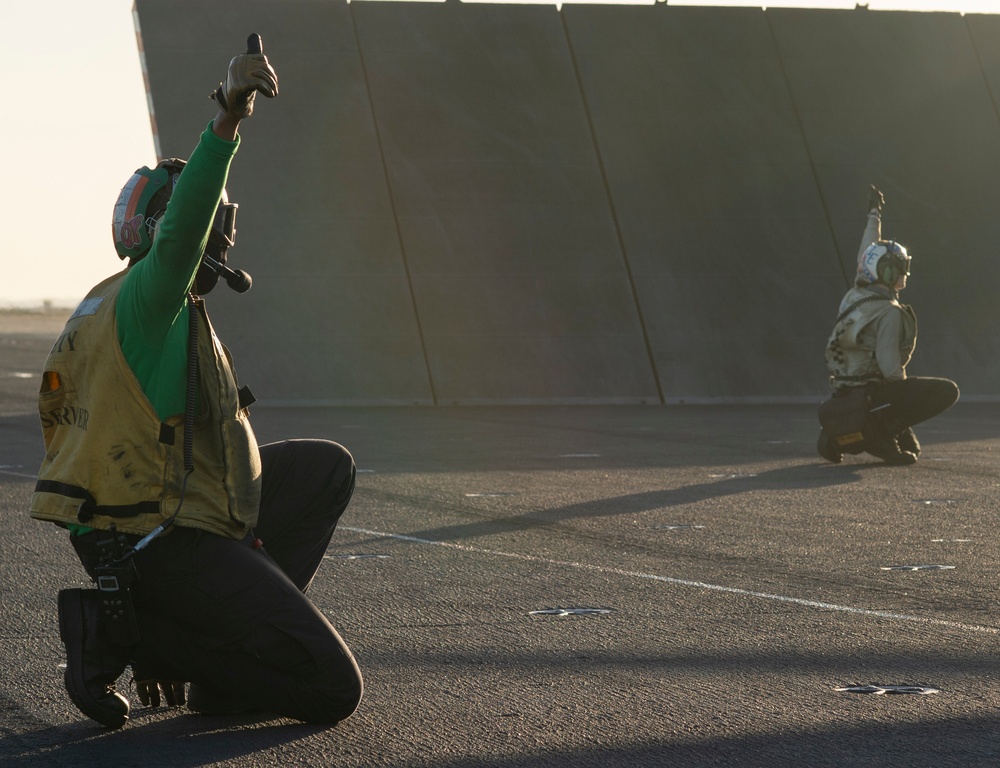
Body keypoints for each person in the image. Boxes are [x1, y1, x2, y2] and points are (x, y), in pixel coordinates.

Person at [29, 35, 363, 729]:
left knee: (324, 469)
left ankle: (227, 666)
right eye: (216, 223)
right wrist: (229, 120)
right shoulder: (153, 295)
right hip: (164, 537)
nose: (224, 237)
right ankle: (138, 640)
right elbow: (182, 230)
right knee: (334, 691)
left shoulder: (109, 302)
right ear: (173, 228)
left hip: (161, 517)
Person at [818, 185, 959, 465]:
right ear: (887, 271)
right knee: (947, 391)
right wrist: (903, 413)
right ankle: (879, 435)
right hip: (871, 389)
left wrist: (874, 214)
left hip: (844, 388)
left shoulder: (855, 294)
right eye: (900, 266)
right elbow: (891, 370)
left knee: (902, 408)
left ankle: (835, 434)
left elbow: (868, 250)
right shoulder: (889, 312)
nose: (904, 271)